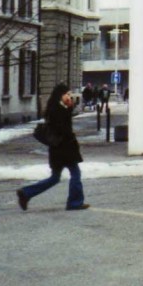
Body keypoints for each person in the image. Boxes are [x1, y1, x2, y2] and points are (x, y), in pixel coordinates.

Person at [16, 84, 89, 212]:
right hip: (64, 149)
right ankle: (74, 202)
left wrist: (69, 108)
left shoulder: (56, 108)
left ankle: (26, 193)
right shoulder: (57, 109)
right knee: (75, 173)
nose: (69, 96)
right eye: (67, 94)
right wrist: (69, 109)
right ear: (60, 95)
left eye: (69, 94)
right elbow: (63, 129)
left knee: (55, 178)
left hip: (58, 149)